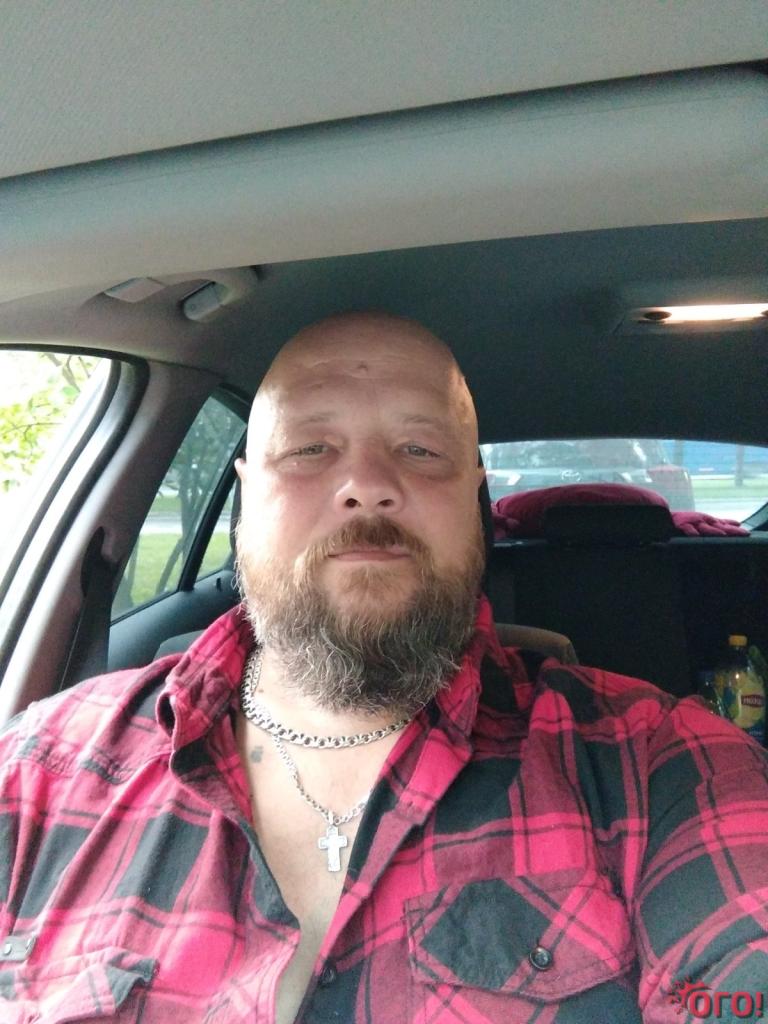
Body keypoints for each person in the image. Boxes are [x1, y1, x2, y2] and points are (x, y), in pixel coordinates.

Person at [1, 311, 767, 1024]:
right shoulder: (40, 767)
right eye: (310, 449)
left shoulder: (662, 764)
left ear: (474, 503)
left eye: (420, 450)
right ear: (247, 497)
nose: (366, 484)